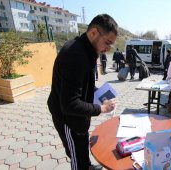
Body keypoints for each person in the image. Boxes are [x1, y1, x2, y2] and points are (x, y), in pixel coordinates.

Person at [47, 14, 118, 170]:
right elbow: (69, 104)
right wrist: (102, 108)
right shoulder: (75, 55)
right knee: (77, 158)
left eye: (111, 46)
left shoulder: (87, 51)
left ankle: (85, 164)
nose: (107, 49)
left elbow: (84, 85)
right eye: (107, 43)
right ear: (93, 33)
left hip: (79, 119)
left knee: (82, 150)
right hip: (68, 120)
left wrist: (101, 94)